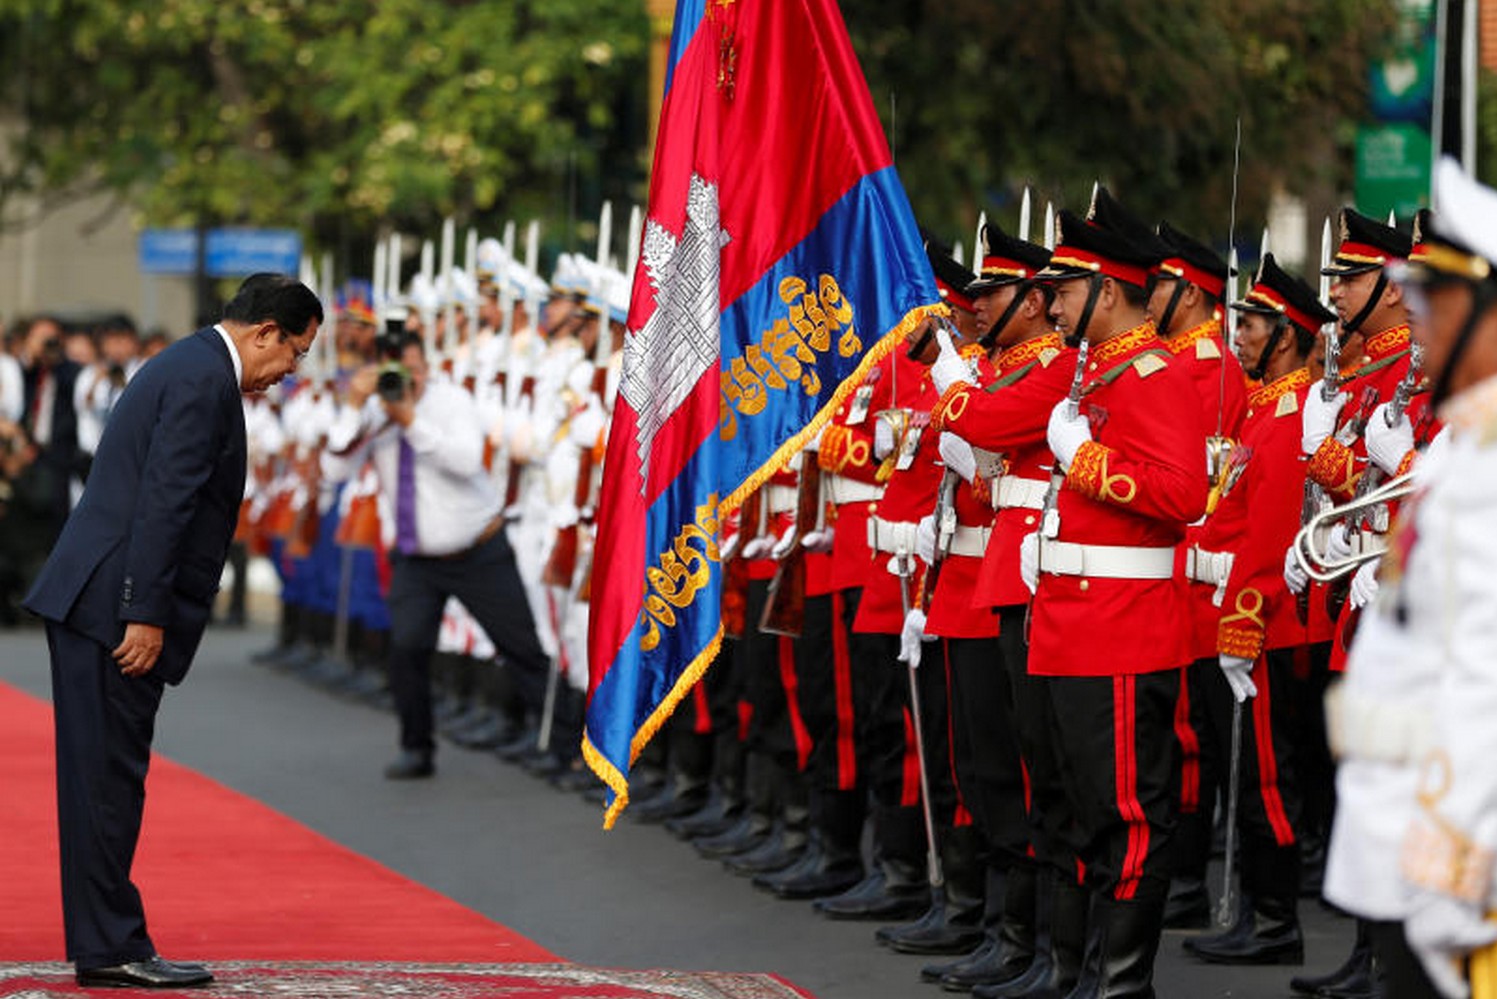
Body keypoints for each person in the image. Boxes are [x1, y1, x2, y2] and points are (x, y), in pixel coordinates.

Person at [22, 273, 323, 989]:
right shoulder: (202, 381)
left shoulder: (190, 363)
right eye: (295, 353)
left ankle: (107, 940)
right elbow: (166, 502)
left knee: (104, 778)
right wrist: (145, 612)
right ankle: (112, 945)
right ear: (266, 332)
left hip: (101, 596)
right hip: (113, 607)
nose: (290, 372)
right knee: (108, 782)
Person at [1322, 160, 1497, 999]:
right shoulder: (1458, 450)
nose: (1415, 325)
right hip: (1420, 833)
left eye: (1436, 303)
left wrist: (1455, 864)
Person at [321, 330, 552, 779]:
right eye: (394, 370)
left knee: (521, 647)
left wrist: (410, 420)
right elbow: (333, 469)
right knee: (406, 649)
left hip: (478, 550)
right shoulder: (373, 410)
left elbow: (468, 462)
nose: (408, 378)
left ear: (425, 365)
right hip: (417, 558)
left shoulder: (452, 402)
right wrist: (353, 405)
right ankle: (416, 747)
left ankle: (565, 744)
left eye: (414, 368)